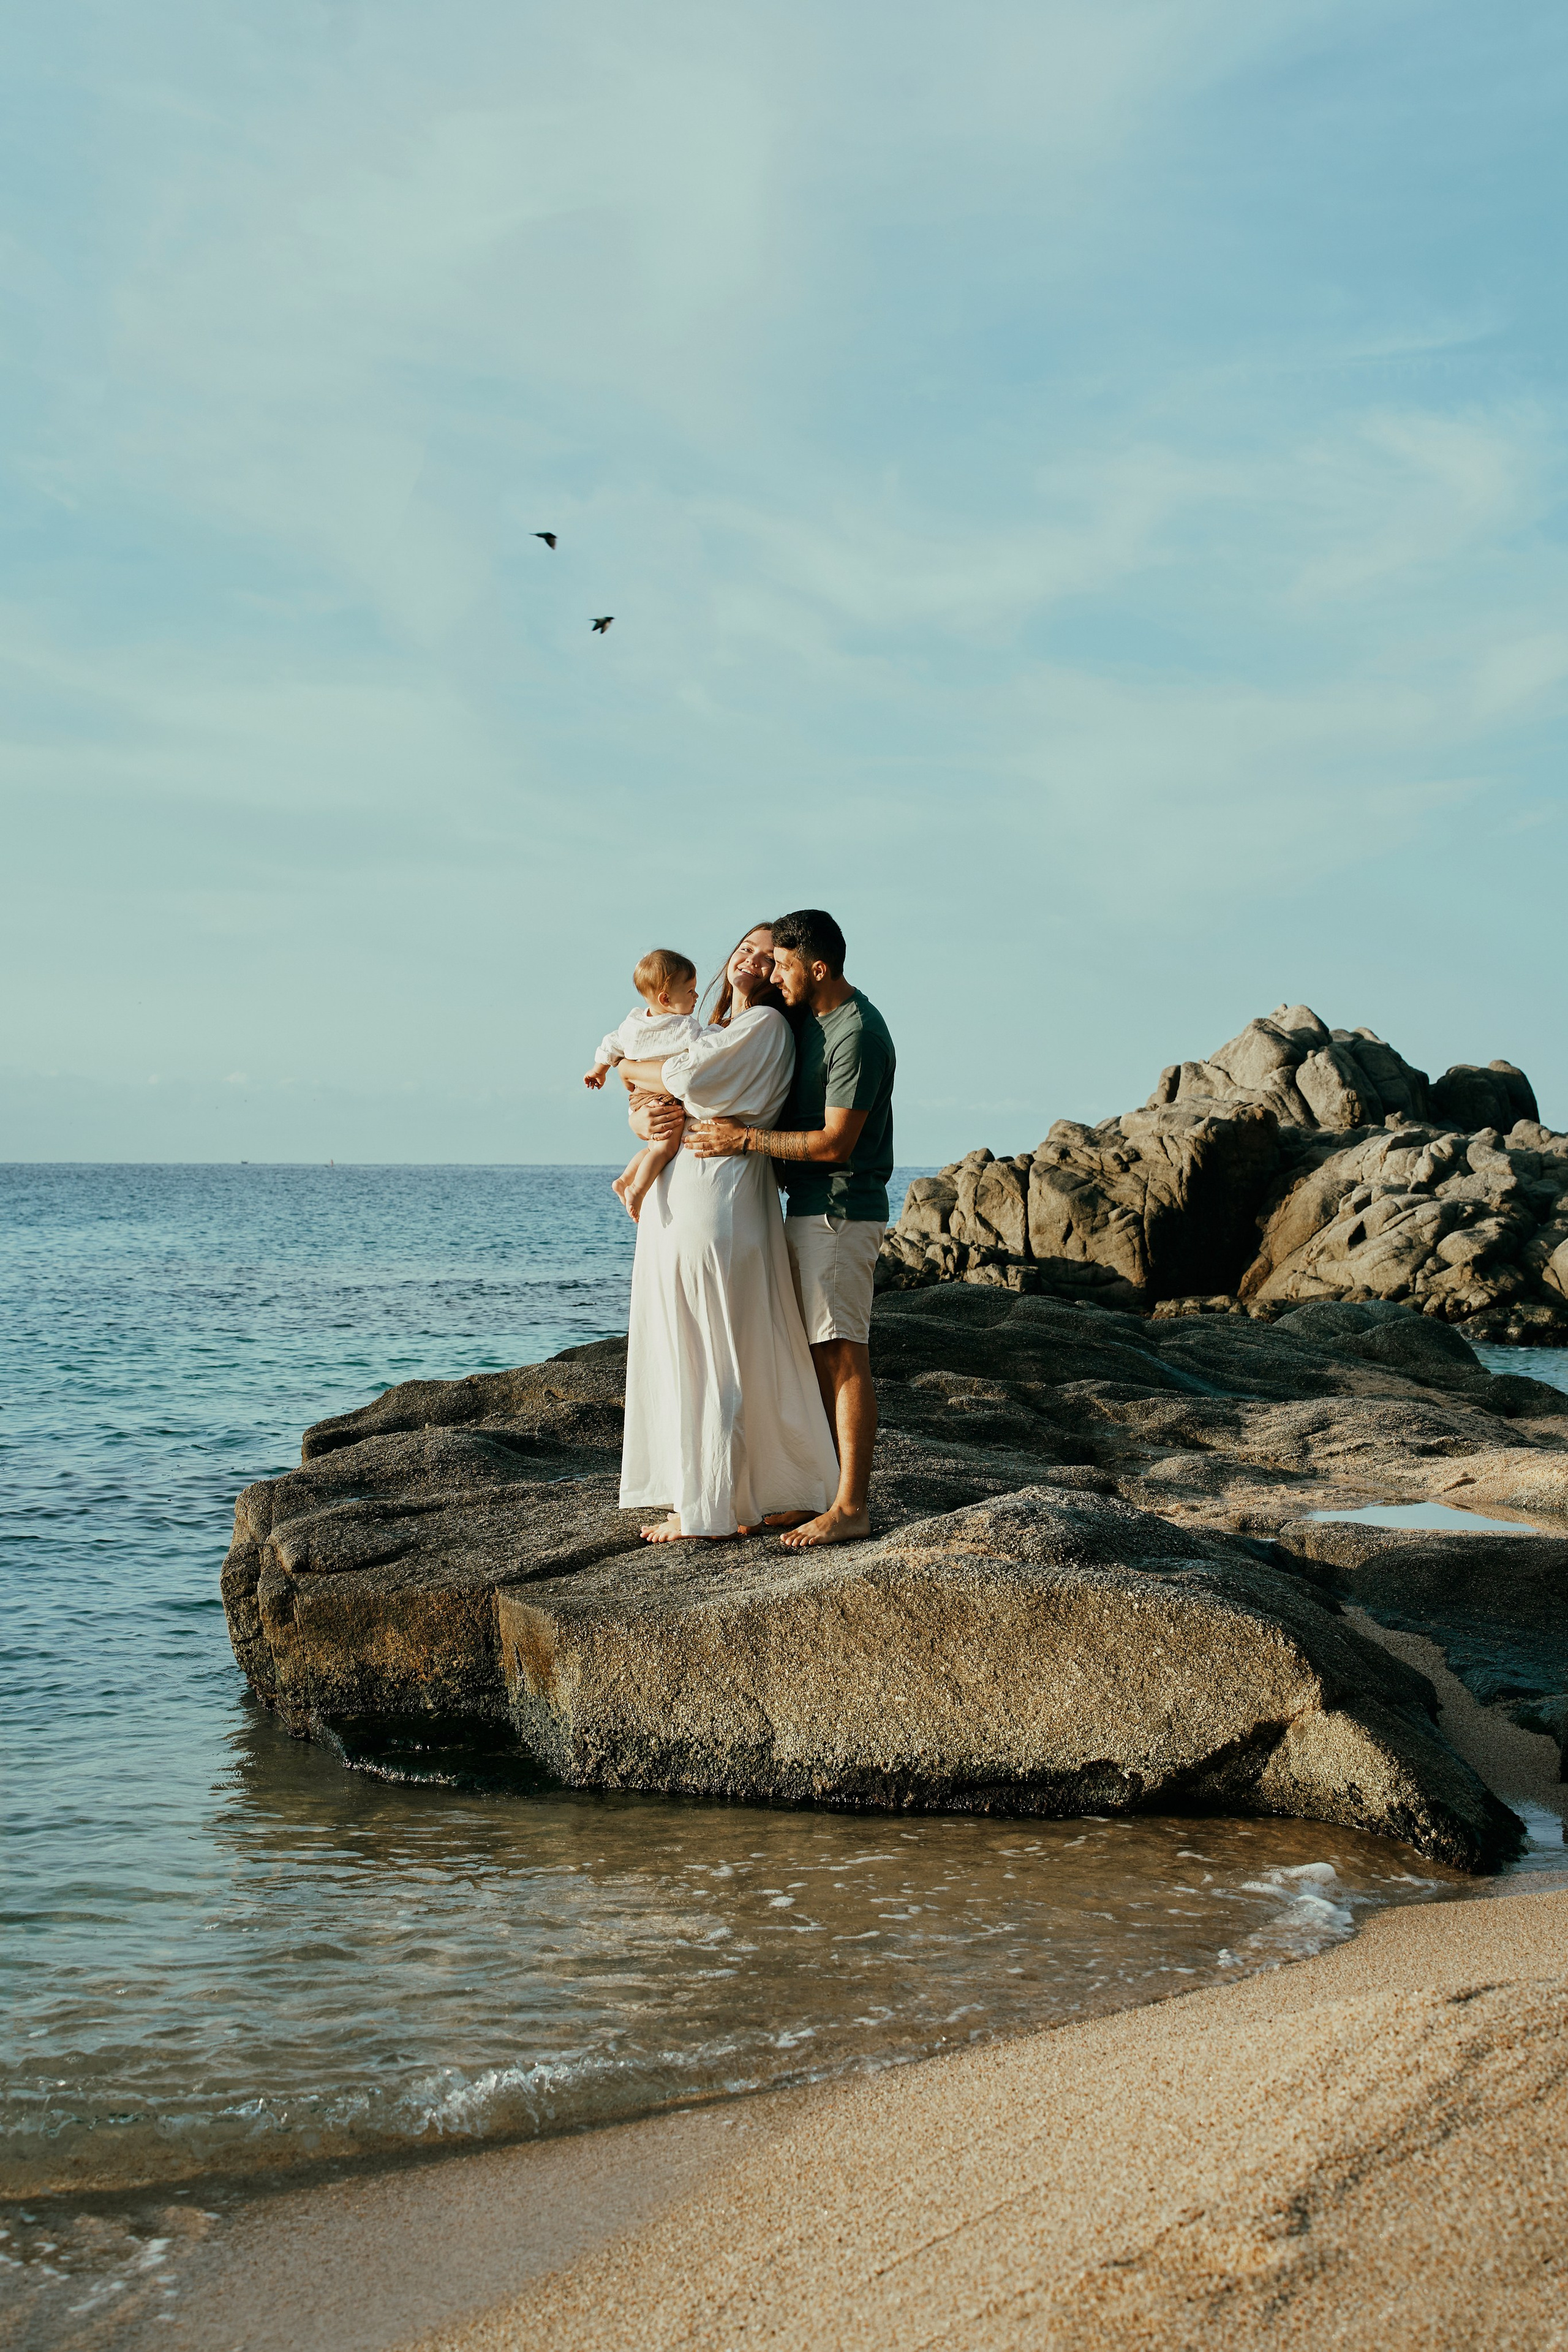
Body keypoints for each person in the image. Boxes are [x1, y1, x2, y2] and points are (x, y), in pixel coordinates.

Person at [615, 924, 841, 1543]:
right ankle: (733, 1493)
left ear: (781, 974)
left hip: (716, 1196)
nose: (752, 956)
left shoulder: (763, 1028)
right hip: (690, 1191)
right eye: (746, 945)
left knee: (709, 1342)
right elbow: (659, 1096)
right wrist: (640, 1108)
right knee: (706, 1339)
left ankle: (706, 1506)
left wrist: (626, 1063)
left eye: (770, 956)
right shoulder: (711, 1028)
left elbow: (686, 1080)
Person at [687, 908, 894, 1548]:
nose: (775, 974)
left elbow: (836, 1143)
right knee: (812, 1356)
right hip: (807, 1207)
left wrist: (745, 1141)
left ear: (819, 967)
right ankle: (818, 1492)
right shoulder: (815, 1021)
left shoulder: (855, 1034)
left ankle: (851, 1506)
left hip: (839, 1209)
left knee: (842, 1354)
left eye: (783, 963)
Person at [583, 948, 706, 1219]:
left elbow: (611, 1044)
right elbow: (704, 1052)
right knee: (665, 1148)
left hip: (639, 1098)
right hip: (663, 1097)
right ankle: (638, 1189)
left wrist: (598, 1071)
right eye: (690, 992)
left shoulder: (634, 1023)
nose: (696, 996)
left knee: (652, 1147)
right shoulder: (685, 1027)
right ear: (666, 999)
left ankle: (625, 1179)